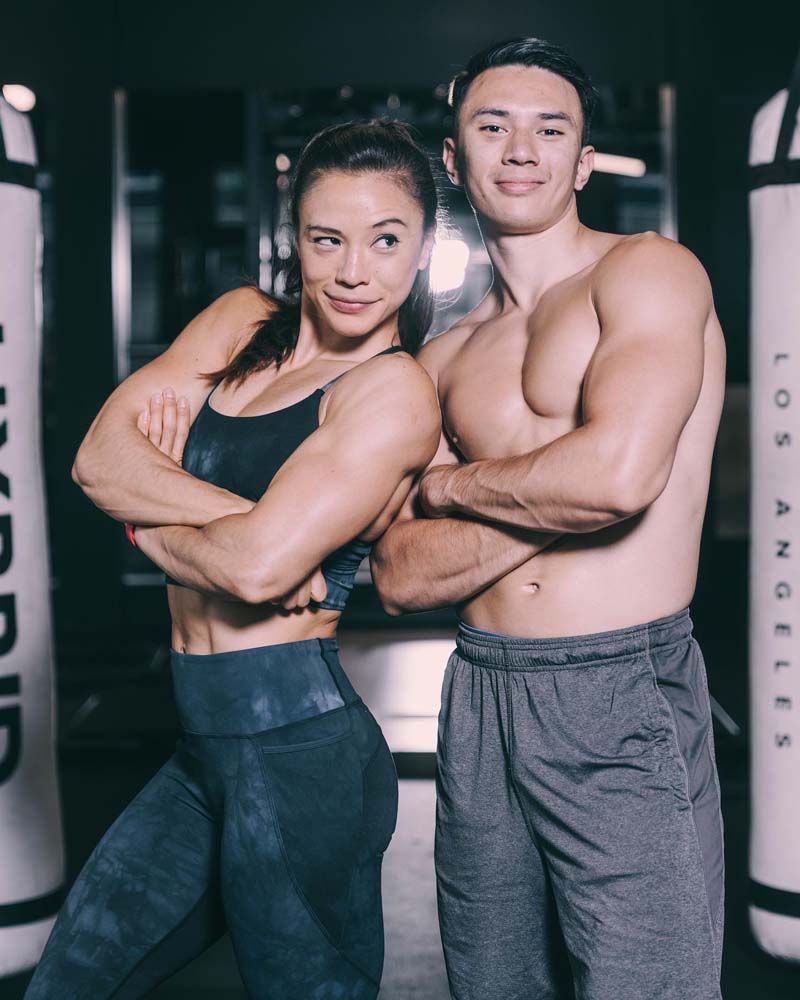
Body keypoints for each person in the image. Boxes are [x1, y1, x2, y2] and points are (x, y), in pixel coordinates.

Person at [25, 120, 440, 1000]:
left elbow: (251, 571)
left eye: (386, 239)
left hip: (299, 750)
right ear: (296, 240)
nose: (355, 269)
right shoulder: (242, 322)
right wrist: (249, 528)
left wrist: (146, 517)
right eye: (328, 238)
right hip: (201, 746)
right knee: (70, 982)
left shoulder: (391, 391)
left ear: (424, 248)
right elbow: (96, 460)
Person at [371, 38, 726, 1000]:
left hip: (619, 688)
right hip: (481, 692)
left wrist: (452, 486)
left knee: (646, 983)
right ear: (454, 158)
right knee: (496, 984)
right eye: (492, 125)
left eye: (550, 128)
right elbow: (401, 575)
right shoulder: (444, 357)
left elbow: (616, 478)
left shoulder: (648, 274)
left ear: (582, 162)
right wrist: (556, 484)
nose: (520, 149)